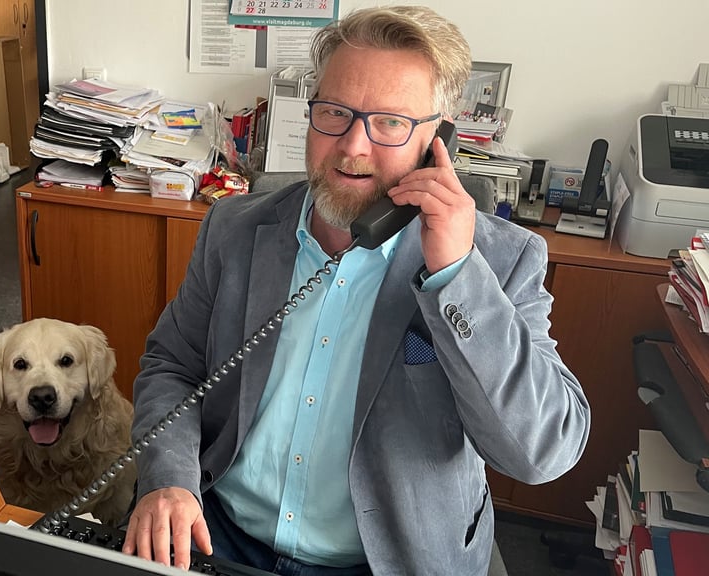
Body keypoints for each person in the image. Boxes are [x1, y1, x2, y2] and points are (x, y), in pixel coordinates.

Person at [122, 6, 590, 575]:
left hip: (386, 562)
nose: (352, 146)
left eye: (390, 121)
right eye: (334, 112)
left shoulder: (499, 260)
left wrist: (455, 275)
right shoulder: (235, 229)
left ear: (437, 138)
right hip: (218, 539)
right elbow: (173, 365)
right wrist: (169, 479)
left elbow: (541, 452)